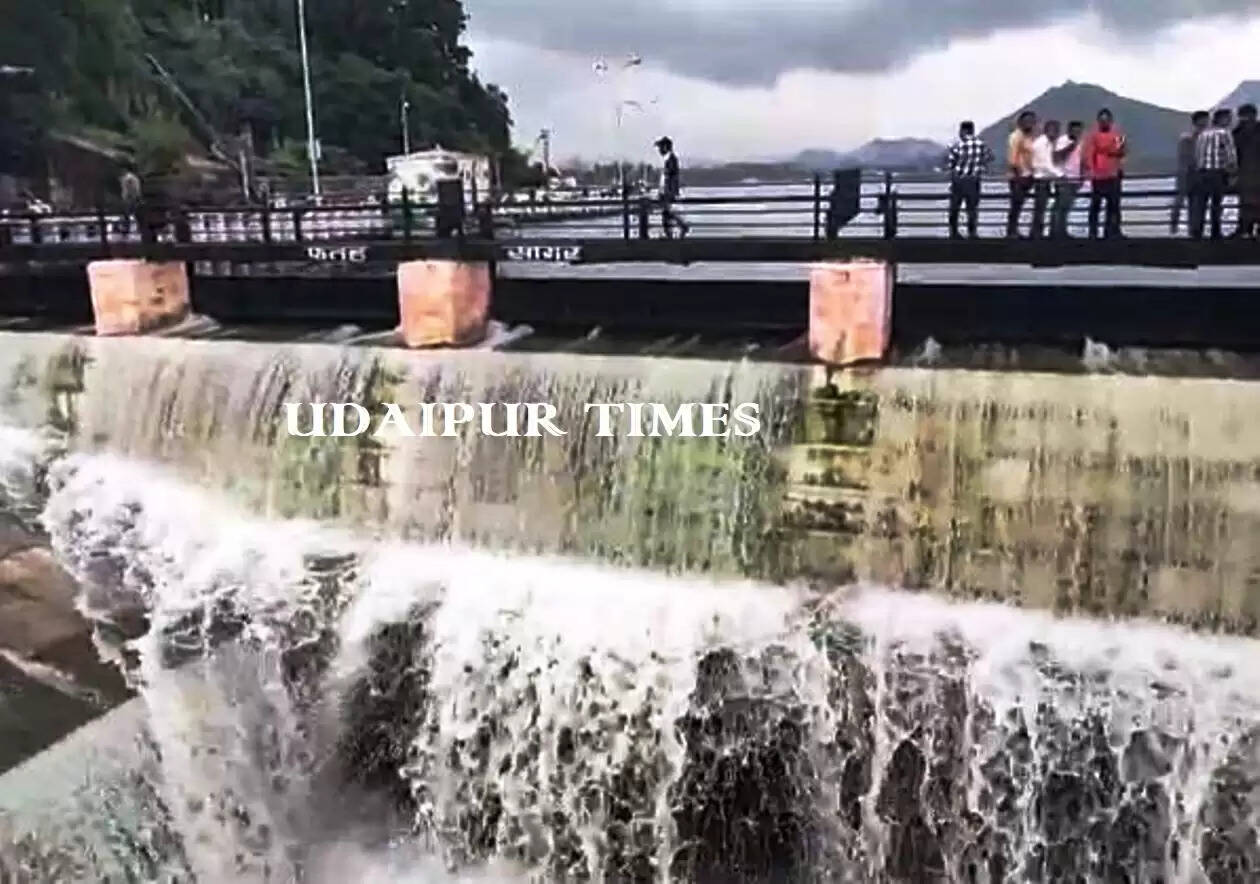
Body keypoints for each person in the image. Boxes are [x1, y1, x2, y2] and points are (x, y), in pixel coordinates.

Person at [1191, 108, 1237, 241]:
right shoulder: (1224, 133)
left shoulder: (1203, 135)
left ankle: (1197, 231)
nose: (1230, 121)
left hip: (1202, 172)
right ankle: (1215, 232)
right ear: (1222, 119)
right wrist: (1233, 173)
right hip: (1217, 172)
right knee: (1216, 204)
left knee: (1201, 203)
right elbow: (1230, 155)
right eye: (1228, 118)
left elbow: (1197, 155)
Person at [945, 120, 994, 238]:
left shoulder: (956, 145)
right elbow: (990, 157)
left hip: (959, 180)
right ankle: (972, 232)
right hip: (974, 180)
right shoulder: (981, 144)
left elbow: (950, 163)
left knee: (954, 208)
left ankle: (954, 232)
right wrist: (980, 166)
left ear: (963, 131)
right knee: (972, 209)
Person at [1084, 109, 1126, 239]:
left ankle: (1112, 231)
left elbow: (1121, 151)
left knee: (1113, 205)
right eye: (1102, 120)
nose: (1104, 122)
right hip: (1098, 176)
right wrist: (1091, 170)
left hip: (1113, 175)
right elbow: (1088, 155)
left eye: (1107, 120)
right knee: (1095, 205)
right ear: (1098, 122)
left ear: (1111, 121)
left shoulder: (1117, 135)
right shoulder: (1093, 136)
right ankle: (1093, 232)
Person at [1171, 112, 1209, 235]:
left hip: (1199, 176)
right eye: (1203, 121)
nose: (1205, 124)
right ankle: (1175, 224)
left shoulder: (1206, 138)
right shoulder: (1187, 139)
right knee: (1180, 200)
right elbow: (1185, 158)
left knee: (1196, 203)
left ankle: (1195, 230)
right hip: (1186, 174)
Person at [1051, 120, 1085, 238]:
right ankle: (1055, 231)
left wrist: (1082, 177)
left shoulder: (1081, 143)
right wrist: (1071, 146)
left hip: (1075, 179)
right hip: (1063, 178)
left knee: (1067, 206)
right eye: (1074, 130)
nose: (1077, 132)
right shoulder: (1062, 141)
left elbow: (1081, 162)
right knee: (1060, 206)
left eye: (1079, 130)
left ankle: (1062, 230)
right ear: (1069, 130)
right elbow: (1057, 157)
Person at [1030, 119, 1063, 239]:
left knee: (1041, 207)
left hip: (1046, 179)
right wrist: (1059, 175)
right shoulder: (1041, 144)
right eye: (1055, 130)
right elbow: (1045, 164)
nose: (1057, 133)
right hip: (1041, 179)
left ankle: (1038, 231)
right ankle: (1036, 232)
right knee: (1040, 207)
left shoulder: (1048, 143)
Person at [1006, 110, 1037, 238]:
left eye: (1032, 121)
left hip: (1028, 175)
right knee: (1016, 204)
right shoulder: (1016, 136)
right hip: (1018, 176)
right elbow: (1012, 158)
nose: (1029, 124)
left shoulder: (1030, 137)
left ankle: (1015, 230)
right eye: (1027, 121)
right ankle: (1011, 231)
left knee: (1019, 204)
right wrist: (1018, 175)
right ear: (1021, 122)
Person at [653, 136, 690, 239]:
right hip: (666, 192)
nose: (659, 150)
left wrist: (668, 192)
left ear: (665, 147)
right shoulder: (669, 159)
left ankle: (681, 227)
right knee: (666, 216)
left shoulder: (671, 159)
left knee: (667, 214)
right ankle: (671, 235)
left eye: (660, 147)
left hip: (668, 193)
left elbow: (671, 178)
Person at [1233, 103, 1260, 239]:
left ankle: (1245, 229)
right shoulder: (1236, 133)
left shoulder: (1237, 133)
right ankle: (1246, 228)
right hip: (1246, 173)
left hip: (1247, 173)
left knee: (1247, 203)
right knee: (1247, 203)